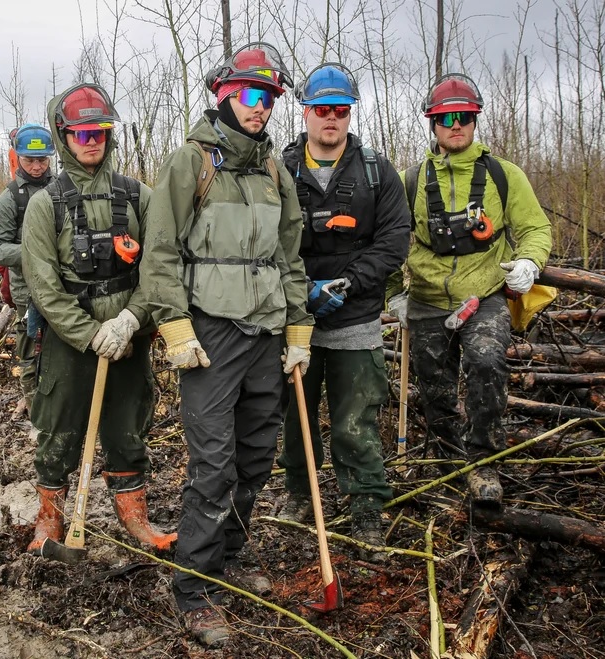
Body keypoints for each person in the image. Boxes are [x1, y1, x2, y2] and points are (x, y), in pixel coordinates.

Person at [138, 43, 312, 647]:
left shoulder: (274, 170)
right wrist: (174, 326)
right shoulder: (192, 161)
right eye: (248, 94)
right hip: (210, 331)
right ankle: (192, 585)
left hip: (265, 331)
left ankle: (229, 557)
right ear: (224, 95)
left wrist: (297, 330)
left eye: (268, 97)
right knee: (212, 463)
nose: (259, 107)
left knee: (257, 453)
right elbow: (159, 249)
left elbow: (290, 255)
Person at [21, 83, 176, 557]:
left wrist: (131, 319)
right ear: (65, 135)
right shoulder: (44, 205)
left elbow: (161, 266)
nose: (92, 141)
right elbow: (44, 286)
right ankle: (49, 519)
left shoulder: (139, 197)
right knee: (58, 429)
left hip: (129, 339)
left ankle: (136, 519)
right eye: (82, 133)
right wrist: (90, 335)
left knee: (128, 427)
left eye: (100, 132)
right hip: (70, 342)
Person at [275, 63, 410, 562]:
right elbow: (264, 239)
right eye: (321, 109)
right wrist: (300, 290)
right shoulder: (279, 171)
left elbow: (396, 239)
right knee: (296, 414)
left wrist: (350, 282)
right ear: (306, 112)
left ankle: (367, 507)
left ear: (350, 113)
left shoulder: (377, 170)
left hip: (356, 318)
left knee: (357, 418)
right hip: (296, 320)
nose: (331, 118)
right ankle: (297, 495)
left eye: (340, 109)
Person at [395, 73, 551, 504]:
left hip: (483, 295)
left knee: (485, 362)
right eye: (446, 119)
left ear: (476, 120)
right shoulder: (411, 180)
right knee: (434, 387)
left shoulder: (504, 175)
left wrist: (529, 261)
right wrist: (395, 289)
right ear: (433, 125)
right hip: (427, 297)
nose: (456, 125)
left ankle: (483, 462)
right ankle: (448, 463)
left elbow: (535, 227)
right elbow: (389, 238)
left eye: (465, 116)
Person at [0, 123, 56, 418]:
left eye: (42, 160)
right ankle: (38, 416)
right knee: (31, 356)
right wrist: (34, 254)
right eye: (30, 160)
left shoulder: (62, 187)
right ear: (18, 158)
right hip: (29, 294)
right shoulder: (11, 198)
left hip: (65, 289)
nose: (37, 166)